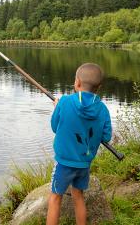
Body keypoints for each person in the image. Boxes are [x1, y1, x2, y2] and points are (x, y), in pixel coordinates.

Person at [46, 63, 112, 225]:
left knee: (55, 198)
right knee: (78, 196)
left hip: (64, 164)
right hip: (84, 164)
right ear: (99, 87)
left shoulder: (65, 102)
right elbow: (106, 136)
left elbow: (55, 127)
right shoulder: (103, 109)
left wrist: (57, 107)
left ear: (77, 82)